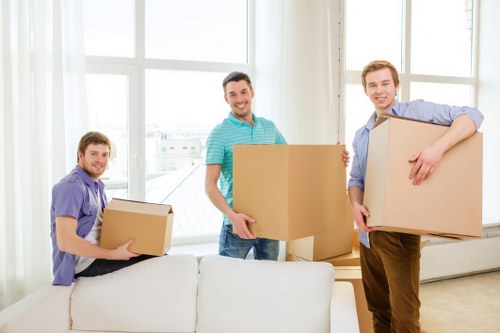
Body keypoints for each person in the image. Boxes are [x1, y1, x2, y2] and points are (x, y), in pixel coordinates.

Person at [348, 60, 484, 333]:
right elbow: (356, 179)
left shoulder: (416, 112)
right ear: (365, 91)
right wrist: (355, 205)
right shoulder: (361, 134)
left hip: (399, 234)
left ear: (396, 86)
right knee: (379, 309)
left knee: (405, 316)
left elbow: (472, 115)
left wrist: (438, 148)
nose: (379, 90)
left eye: (385, 83)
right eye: (372, 85)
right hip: (368, 234)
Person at [50, 131, 153, 286]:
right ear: (80, 155)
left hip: (99, 256)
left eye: (105, 155)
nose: (100, 160)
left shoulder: (97, 187)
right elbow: (65, 241)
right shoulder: (71, 187)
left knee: (155, 251)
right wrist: (113, 255)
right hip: (84, 265)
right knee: (159, 261)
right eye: (94, 154)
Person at [204, 71, 287, 260]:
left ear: (252, 92)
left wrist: (333, 156)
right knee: (228, 282)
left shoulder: (269, 128)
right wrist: (232, 216)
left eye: (243, 92)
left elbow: (290, 161)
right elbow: (209, 185)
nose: (239, 99)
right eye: (233, 94)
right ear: (226, 98)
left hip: (269, 222)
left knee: (267, 280)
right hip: (236, 225)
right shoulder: (219, 134)